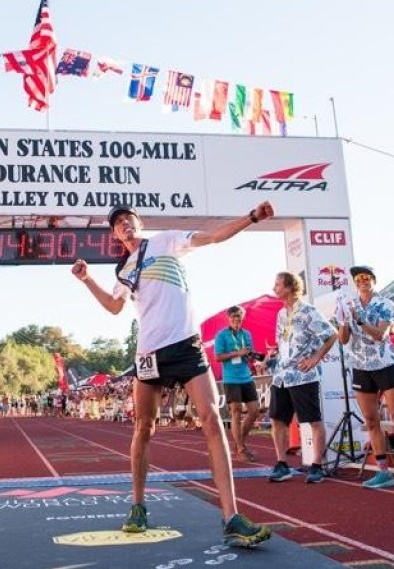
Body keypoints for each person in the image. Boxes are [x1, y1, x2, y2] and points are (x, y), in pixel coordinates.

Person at [71, 201, 274, 548]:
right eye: (118, 223)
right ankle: (137, 506)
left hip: (186, 346)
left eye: (128, 219)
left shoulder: (166, 240)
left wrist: (250, 218)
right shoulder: (124, 269)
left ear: (139, 222)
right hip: (149, 353)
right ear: (114, 234)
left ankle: (231, 517)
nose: (125, 225)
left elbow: (211, 237)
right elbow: (115, 307)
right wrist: (88, 279)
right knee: (144, 427)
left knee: (211, 419)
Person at [338, 265, 394, 492]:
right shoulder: (350, 305)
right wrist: (343, 322)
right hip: (360, 367)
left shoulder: (385, 304)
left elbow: (380, 335)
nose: (362, 281)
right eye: (358, 278)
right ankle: (383, 472)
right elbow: (343, 340)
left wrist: (359, 320)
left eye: (366, 277)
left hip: (384, 365)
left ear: (373, 281)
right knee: (371, 420)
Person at [266, 271, 337, 486]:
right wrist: (271, 359)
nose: (274, 288)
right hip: (281, 376)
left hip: (302, 376)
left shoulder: (308, 311)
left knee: (313, 421)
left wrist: (316, 357)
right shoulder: (280, 314)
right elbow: (283, 342)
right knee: (277, 420)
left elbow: (331, 334)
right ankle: (282, 464)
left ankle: (316, 466)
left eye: (277, 285)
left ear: (289, 287)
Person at [214, 305, 261, 462]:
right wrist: (237, 353)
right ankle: (241, 449)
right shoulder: (222, 335)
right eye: (234, 316)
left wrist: (251, 355)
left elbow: (248, 353)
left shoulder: (246, 334)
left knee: (254, 411)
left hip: (246, 377)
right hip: (231, 378)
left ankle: (239, 442)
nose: (236, 319)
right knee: (236, 412)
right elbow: (218, 357)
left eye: (239, 317)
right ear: (228, 318)